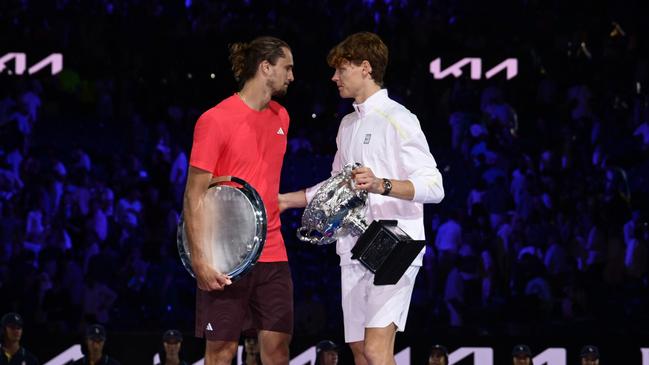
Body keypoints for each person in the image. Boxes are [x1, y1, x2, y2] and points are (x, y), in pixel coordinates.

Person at [279, 32, 444, 365]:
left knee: (375, 350)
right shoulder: (348, 124)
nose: (334, 77)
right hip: (353, 248)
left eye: (341, 69)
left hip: (396, 245)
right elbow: (335, 187)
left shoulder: (399, 118)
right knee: (359, 351)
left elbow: (434, 186)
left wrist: (382, 184)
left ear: (365, 68)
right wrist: (285, 200)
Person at [183, 36, 294, 365]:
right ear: (265, 68)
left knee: (277, 349)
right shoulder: (214, 120)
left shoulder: (282, 118)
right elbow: (193, 196)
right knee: (221, 352)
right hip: (225, 259)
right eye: (287, 68)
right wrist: (201, 261)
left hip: (274, 252)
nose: (291, 76)